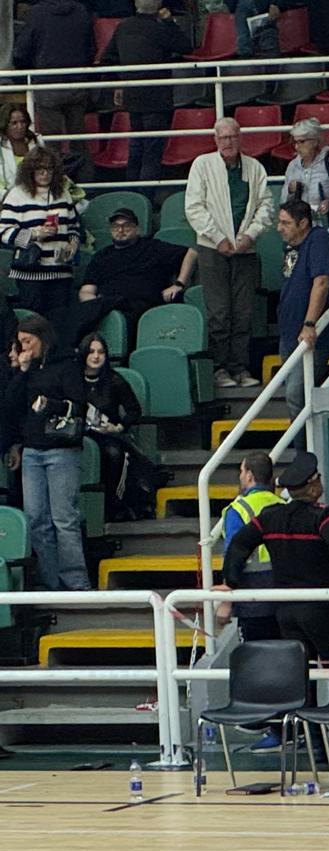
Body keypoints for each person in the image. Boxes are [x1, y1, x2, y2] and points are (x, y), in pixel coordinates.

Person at [218, 450, 329, 759]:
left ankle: (315, 745)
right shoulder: (322, 516)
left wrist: (230, 582)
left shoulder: (271, 517)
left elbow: (238, 545)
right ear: (313, 485)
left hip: (286, 610)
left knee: (303, 676)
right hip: (322, 608)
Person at [185, 119, 275, 389]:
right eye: (223, 137)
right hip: (212, 250)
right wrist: (218, 237)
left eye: (232, 137)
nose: (228, 142)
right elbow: (194, 207)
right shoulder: (202, 165)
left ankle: (240, 367)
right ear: (215, 140)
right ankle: (219, 368)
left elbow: (266, 206)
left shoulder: (255, 168)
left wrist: (251, 235)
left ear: (240, 138)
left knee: (243, 313)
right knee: (219, 313)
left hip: (246, 250)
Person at [4, 313, 91, 589]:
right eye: (21, 342)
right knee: (36, 520)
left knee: (64, 518)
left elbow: (79, 405)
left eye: (28, 341)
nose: (24, 347)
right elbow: (11, 404)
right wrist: (22, 371)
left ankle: (76, 582)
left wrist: (50, 404)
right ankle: (52, 582)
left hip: (61, 448)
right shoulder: (27, 370)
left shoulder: (66, 365)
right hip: (32, 449)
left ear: (41, 338)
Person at [100, 0, 191, 181]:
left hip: (133, 96)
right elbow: (185, 47)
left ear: (136, 5)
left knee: (136, 146)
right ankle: (146, 192)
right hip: (157, 98)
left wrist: (117, 83)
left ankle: (133, 189)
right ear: (158, 7)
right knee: (152, 151)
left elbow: (108, 58)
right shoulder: (160, 29)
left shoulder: (123, 27)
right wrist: (169, 22)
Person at [273, 198, 329, 439]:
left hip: (310, 333)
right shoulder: (290, 246)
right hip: (289, 332)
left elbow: (321, 282)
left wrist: (310, 324)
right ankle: (305, 448)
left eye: (285, 223)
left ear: (303, 223)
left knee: (296, 394)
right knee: (294, 394)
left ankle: (304, 450)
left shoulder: (319, 240)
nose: (279, 228)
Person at [77, 331, 160, 522]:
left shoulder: (115, 380)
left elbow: (134, 411)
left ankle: (113, 505)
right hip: (80, 434)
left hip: (109, 436)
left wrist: (119, 427)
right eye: (91, 352)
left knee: (113, 453)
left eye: (101, 352)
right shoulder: (73, 380)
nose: (96, 356)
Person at [0, 146, 83, 322]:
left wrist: (73, 243)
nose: (45, 174)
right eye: (40, 169)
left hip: (61, 271)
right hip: (30, 273)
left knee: (60, 321)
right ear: (30, 171)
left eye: (49, 169)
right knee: (34, 321)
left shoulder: (63, 193)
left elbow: (74, 225)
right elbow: (4, 232)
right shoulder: (17, 195)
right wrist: (35, 235)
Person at [78, 206, 196, 326]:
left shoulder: (152, 248)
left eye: (126, 226)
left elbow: (191, 253)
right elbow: (86, 291)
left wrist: (179, 284)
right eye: (115, 226)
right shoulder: (101, 256)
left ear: (137, 229)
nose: (120, 230)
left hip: (143, 308)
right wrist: (96, 305)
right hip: (108, 307)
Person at [221, 449, 284, 655]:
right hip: (286, 597)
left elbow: (233, 555)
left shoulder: (238, 510)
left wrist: (226, 602)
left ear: (249, 475)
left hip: (252, 599)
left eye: (241, 471)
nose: (240, 476)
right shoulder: (285, 505)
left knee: (256, 661)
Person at [12, 0, 95, 139]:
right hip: (77, 82)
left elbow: (22, 52)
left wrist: (26, 71)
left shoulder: (37, 13)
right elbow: (91, 49)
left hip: (47, 83)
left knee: (50, 141)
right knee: (78, 138)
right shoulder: (81, 11)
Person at [280, 119, 329, 226]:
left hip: (327, 225)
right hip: (301, 227)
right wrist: (291, 191)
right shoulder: (292, 166)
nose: (296, 147)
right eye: (295, 142)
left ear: (315, 141)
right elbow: (283, 202)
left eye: (302, 142)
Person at [0, 104, 43, 194]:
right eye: (14, 123)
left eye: (23, 122)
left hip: (37, 194)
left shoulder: (37, 141)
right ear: (4, 125)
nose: (20, 126)